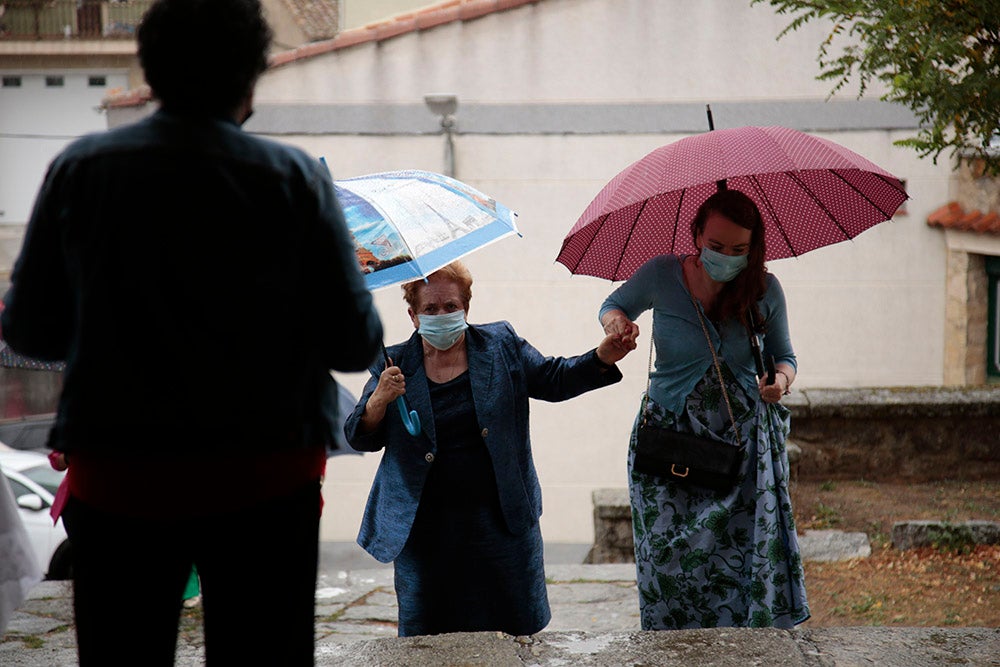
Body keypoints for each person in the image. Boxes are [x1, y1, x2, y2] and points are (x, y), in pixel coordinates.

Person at [0, 0, 383, 663]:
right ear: (251, 78)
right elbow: (354, 343)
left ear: (149, 69)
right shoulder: (295, 179)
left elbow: (31, 329)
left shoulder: (80, 170)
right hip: (266, 480)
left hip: (120, 477)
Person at [344, 261, 634, 637]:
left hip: (501, 525)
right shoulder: (393, 365)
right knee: (429, 642)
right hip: (427, 535)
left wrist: (601, 358)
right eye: (430, 309)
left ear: (467, 306)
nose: (442, 315)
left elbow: (553, 378)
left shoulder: (501, 345)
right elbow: (359, 435)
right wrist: (379, 400)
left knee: (513, 634)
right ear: (413, 315)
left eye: (451, 306)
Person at [599, 188, 809, 630]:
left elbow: (785, 356)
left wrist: (780, 383)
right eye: (716, 246)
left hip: (743, 446)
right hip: (667, 437)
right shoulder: (661, 273)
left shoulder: (765, 289)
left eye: (738, 250)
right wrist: (617, 324)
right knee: (666, 559)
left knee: (741, 559)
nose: (726, 257)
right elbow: (613, 304)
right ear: (696, 234)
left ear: (753, 249)